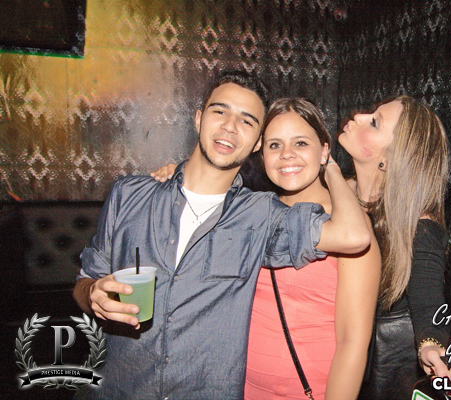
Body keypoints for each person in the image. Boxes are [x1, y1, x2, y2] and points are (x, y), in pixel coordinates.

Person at [72, 71, 372, 400]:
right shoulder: (130, 195)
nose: (230, 126)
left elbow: (353, 236)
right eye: (220, 111)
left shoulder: (259, 215)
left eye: (246, 121)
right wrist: (93, 294)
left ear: (255, 143)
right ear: (198, 119)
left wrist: (330, 165)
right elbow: (86, 280)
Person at [153, 98, 380, 400]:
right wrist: (177, 177)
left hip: (308, 390)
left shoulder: (346, 223)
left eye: (300, 143)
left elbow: (353, 341)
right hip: (233, 388)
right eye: (274, 145)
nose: (287, 154)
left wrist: (334, 172)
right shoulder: (249, 212)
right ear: (261, 154)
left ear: (324, 149)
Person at [338, 95, 451, 400]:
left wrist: (432, 346)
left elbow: (428, 303)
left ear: (389, 159)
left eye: (374, 122)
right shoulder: (331, 193)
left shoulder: (418, 228)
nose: (358, 117)